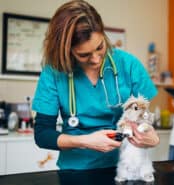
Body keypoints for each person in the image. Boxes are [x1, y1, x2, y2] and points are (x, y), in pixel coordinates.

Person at [32, 0, 159, 170]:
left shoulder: (128, 65)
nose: (96, 59)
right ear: (66, 51)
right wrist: (85, 141)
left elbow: (147, 119)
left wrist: (152, 137)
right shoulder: (54, 72)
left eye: (100, 47)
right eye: (84, 55)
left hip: (125, 167)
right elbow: (42, 135)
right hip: (75, 172)